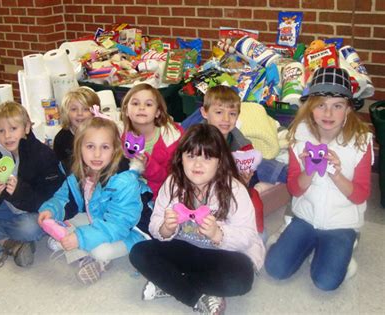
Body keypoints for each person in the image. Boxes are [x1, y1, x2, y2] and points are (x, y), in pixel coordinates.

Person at [129, 124, 265, 315]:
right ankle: (195, 296)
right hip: (186, 247)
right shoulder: (173, 182)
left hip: (222, 254)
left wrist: (219, 234)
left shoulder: (234, 189)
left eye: (207, 157)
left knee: (242, 279)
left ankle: (171, 284)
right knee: (138, 252)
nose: (197, 164)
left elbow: (248, 236)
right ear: (181, 158)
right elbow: (155, 224)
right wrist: (166, 228)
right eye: (191, 156)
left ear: (220, 161)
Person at [265, 67, 373, 291]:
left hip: (341, 222)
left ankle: (344, 245)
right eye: (321, 104)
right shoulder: (299, 136)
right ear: (310, 106)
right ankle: (298, 237)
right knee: (275, 268)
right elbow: (295, 189)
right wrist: (310, 169)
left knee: (326, 282)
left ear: (349, 110)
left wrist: (335, 173)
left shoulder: (361, 142)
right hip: (306, 217)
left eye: (337, 106)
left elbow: (361, 194)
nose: (328, 113)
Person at [38, 117, 152, 284]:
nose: (97, 154)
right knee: (66, 220)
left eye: (105, 147)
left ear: (114, 150)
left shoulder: (124, 181)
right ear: (80, 149)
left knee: (100, 251)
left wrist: (81, 237)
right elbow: (63, 197)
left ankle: (95, 259)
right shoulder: (80, 172)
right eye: (90, 146)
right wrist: (50, 210)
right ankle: (80, 247)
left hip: (132, 231)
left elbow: (119, 224)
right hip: (99, 218)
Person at [0, 102, 65, 268]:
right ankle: (8, 243)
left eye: (13, 129)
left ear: (26, 128)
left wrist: (20, 192)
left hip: (33, 212)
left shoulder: (42, 154)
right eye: (1, 131)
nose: (7, 136)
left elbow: (51, 197)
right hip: (8, 208)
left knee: (30, 228)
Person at [200, 85, 287, 233]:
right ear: (205, 113)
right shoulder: (196, 141)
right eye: (219, 112)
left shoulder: (240, 142)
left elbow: (249, 167)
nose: (226, 119)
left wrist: (245, 180)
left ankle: (256, 233)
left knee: (257, 184)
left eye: (232, 114)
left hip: (236, 182)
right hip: (207, 189)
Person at [120, 83, 183, 200]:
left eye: (148, 104)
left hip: (159, 194)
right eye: (135, 103)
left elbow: (168, 177)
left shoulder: (171, 141)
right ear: (126, 110)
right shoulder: (121, 135)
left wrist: (147, 165)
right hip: (130, 189)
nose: (141, 107)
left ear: (157, 112)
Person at [53, 87, 99, 173]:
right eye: (74, 109)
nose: (80, 114)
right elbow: (59, 168)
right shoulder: (61, 139)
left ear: (95, 111)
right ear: (66, 112)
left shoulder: (102, 134)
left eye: (86, 109)